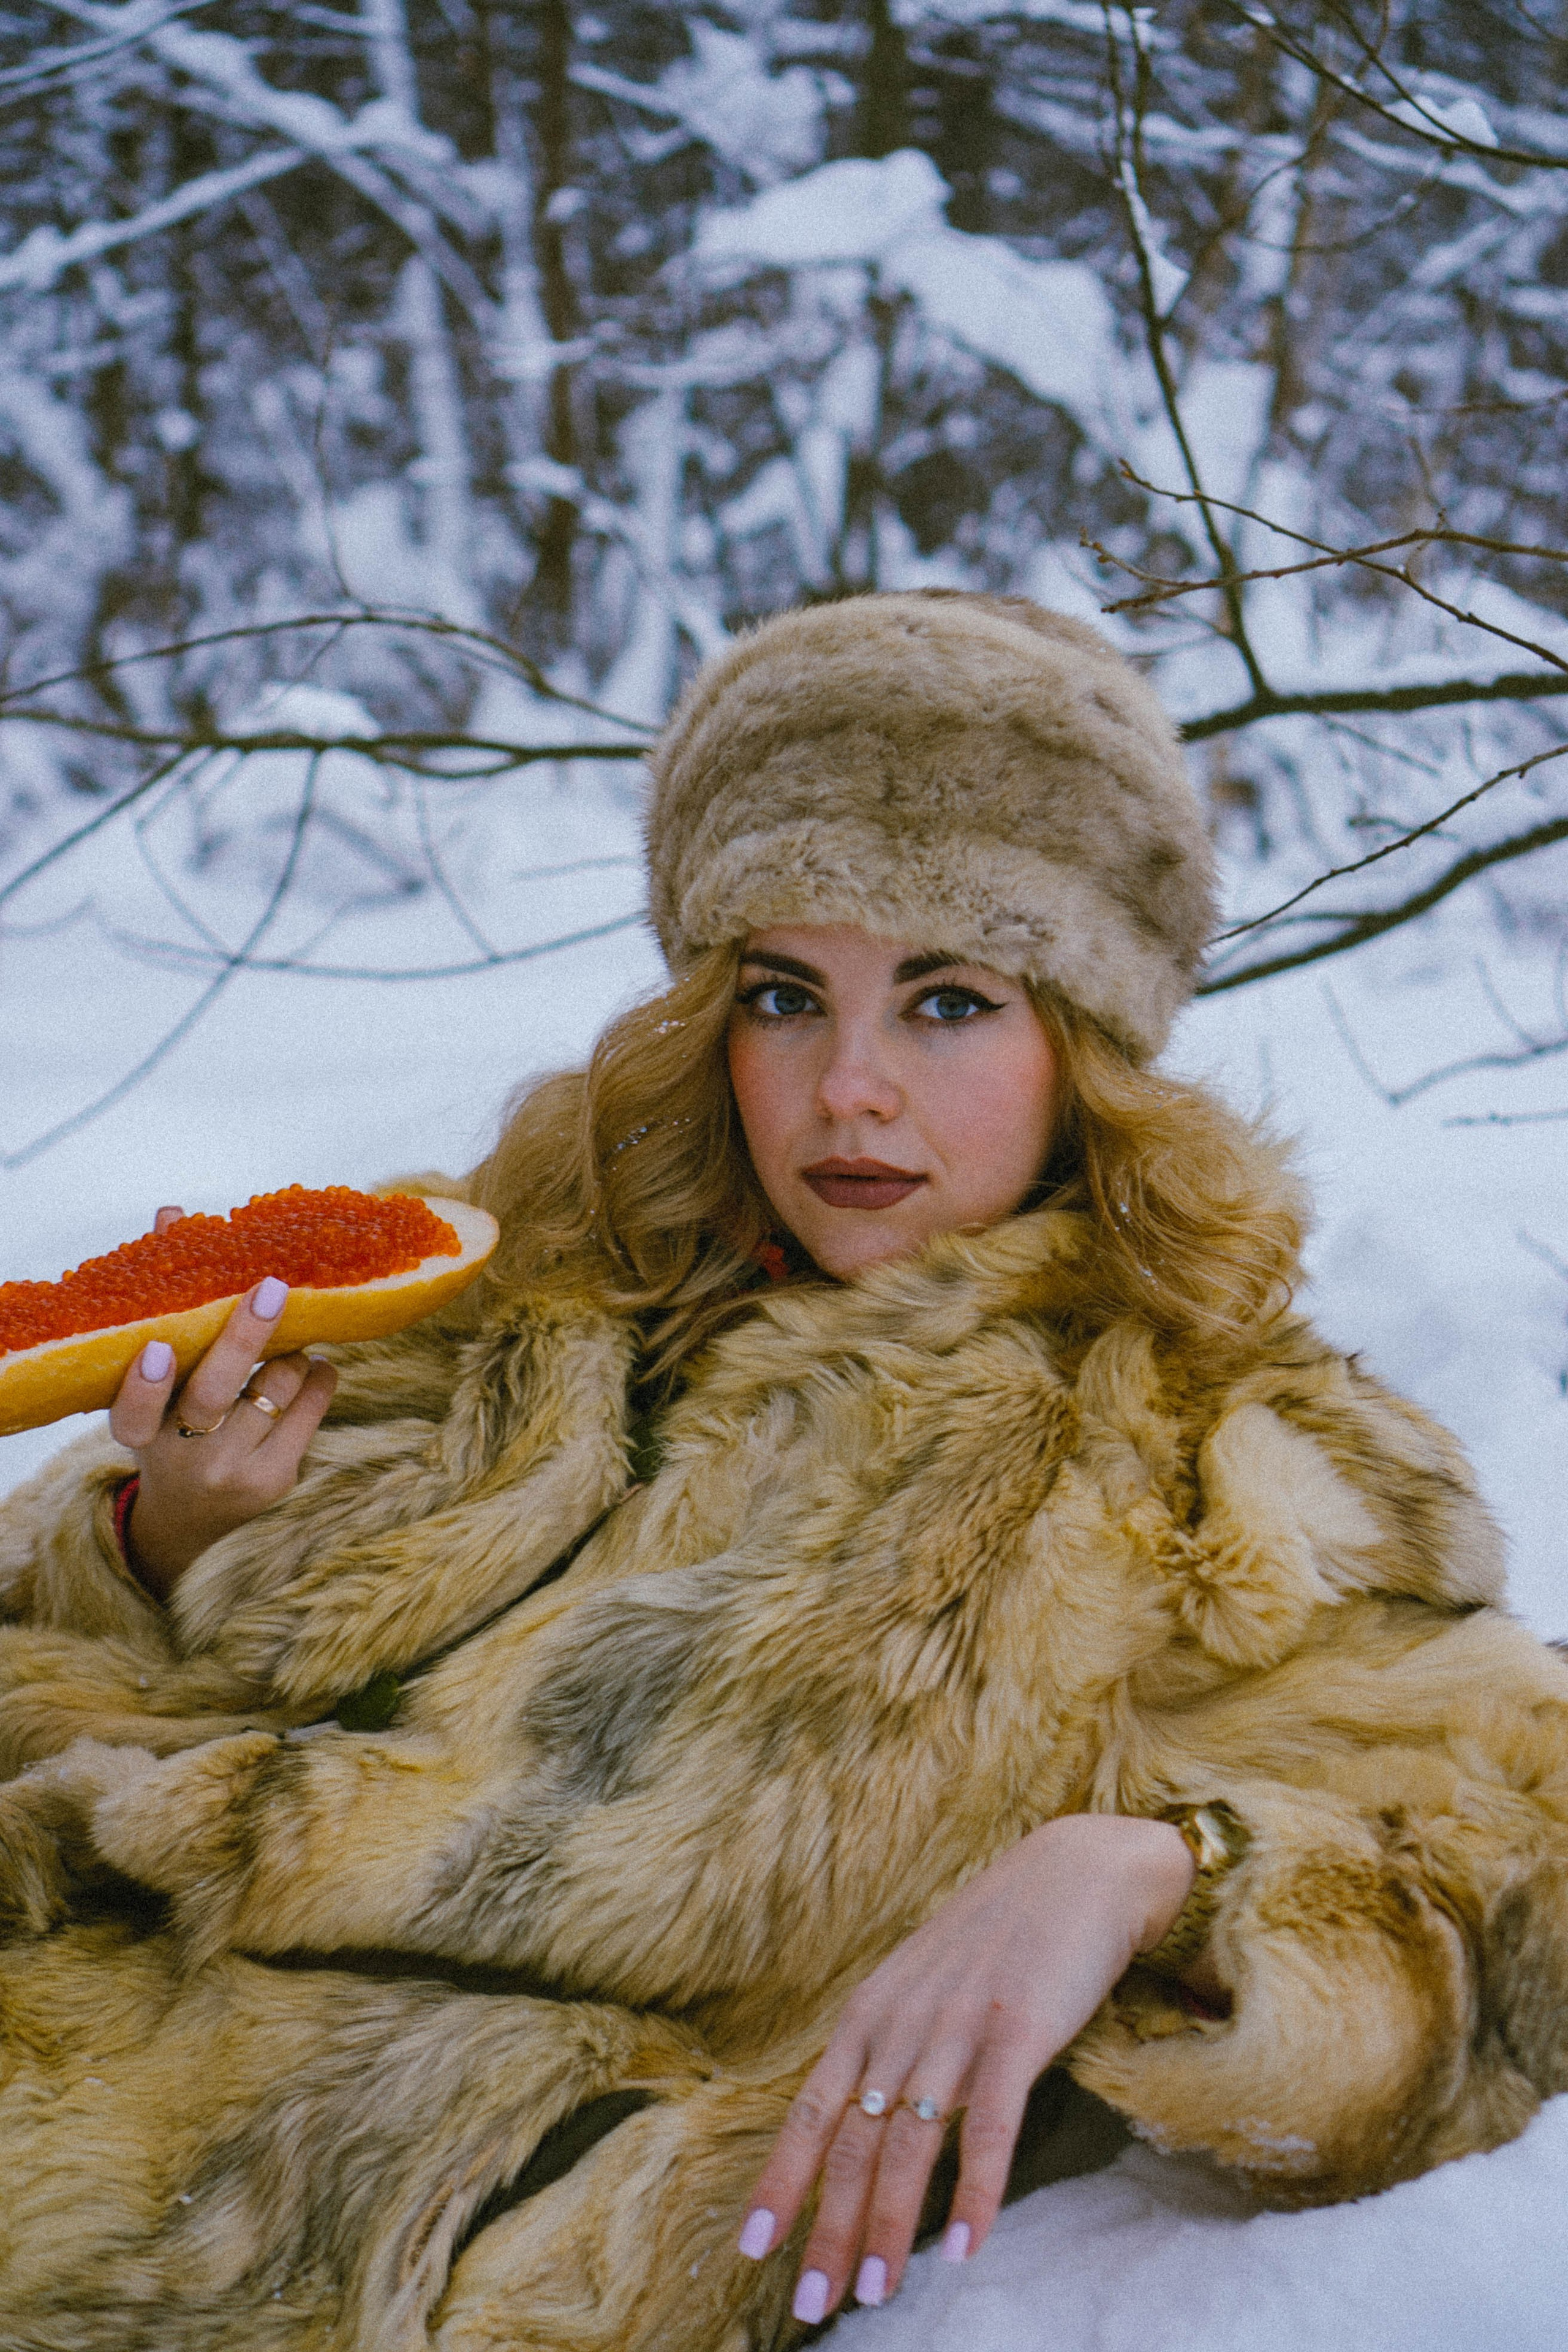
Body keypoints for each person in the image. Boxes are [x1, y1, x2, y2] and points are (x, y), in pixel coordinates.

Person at [1, 590, 1566, 2352]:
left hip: (345, 2244)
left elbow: (1508, 1904)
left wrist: (1154, 1871)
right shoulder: (525, 1298)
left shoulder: (1221, 1450)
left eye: (950, 1002)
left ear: (1083, 1043)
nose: (849, 1091)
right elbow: (84, 1677)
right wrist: (156, 1539)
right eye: (784, 997)